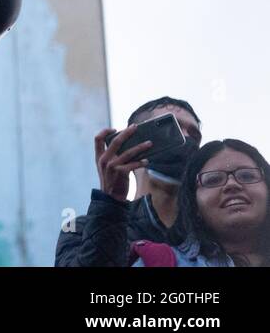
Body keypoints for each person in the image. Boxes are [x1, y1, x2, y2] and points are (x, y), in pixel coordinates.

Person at [54, 96, 202, 267]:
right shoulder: (77, 228)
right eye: (172, 127)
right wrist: (110, 205)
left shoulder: (210, 230)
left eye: (194, 134)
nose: (186, 137)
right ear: (131, 142)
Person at [131, 139, 269, 267]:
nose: (232, 184)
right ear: (194, 205)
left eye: (247, 175)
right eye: (213, 180)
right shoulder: (158, 262)